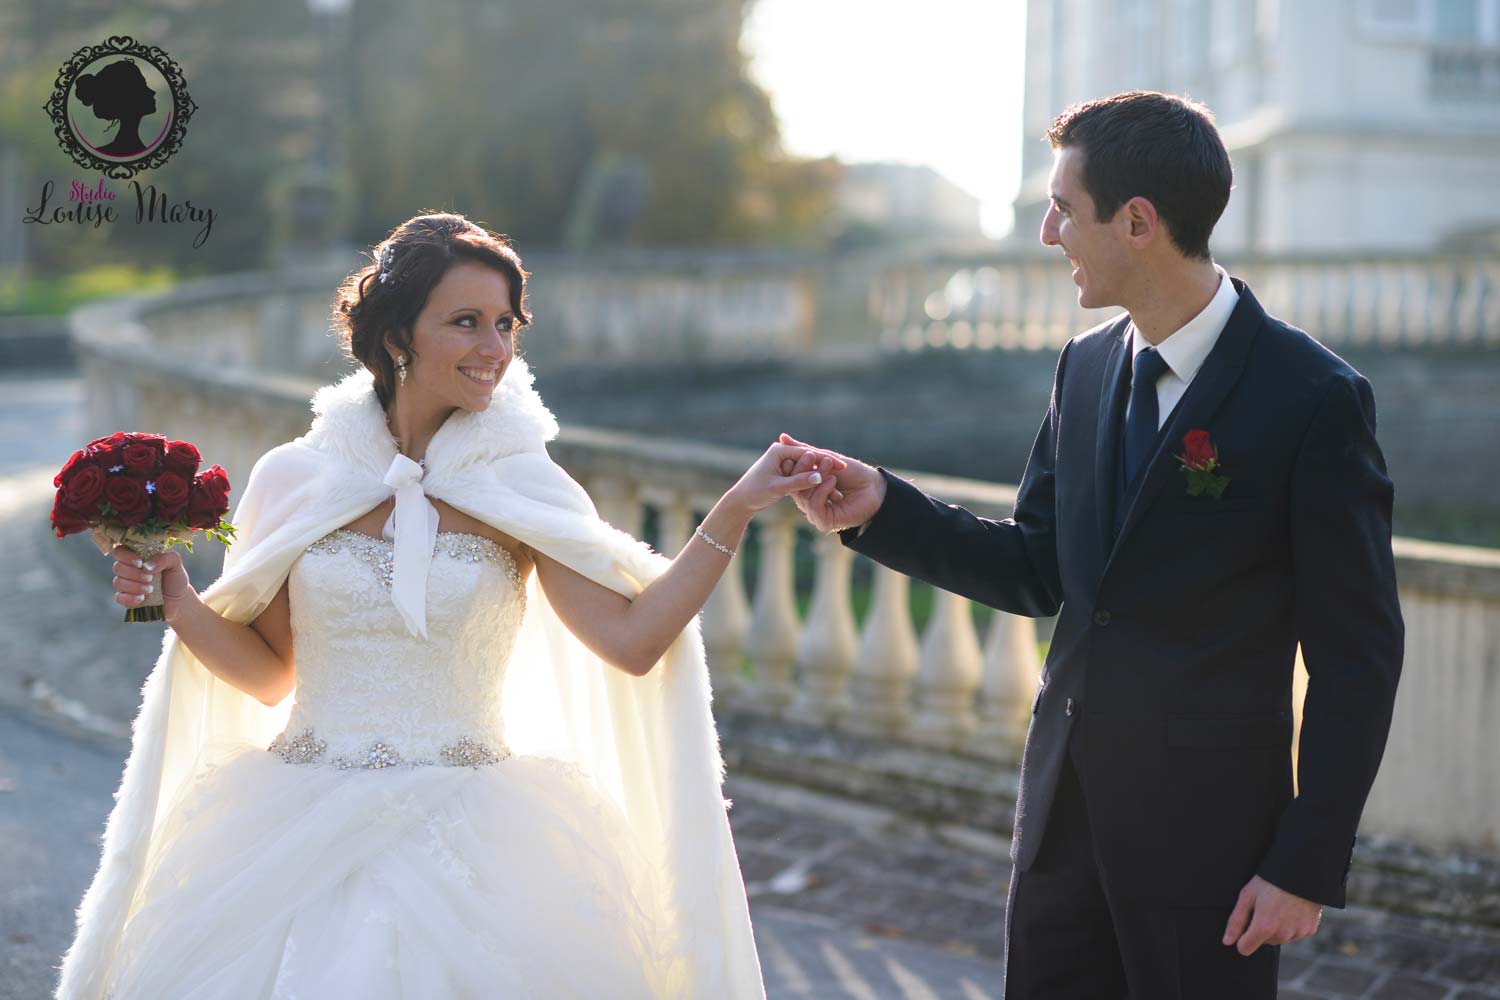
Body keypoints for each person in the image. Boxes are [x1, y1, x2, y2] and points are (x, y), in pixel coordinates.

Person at [55, 213, 841, 999]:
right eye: (466, 323)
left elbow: (632, 641)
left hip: (478, 832)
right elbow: (269, 678)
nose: (495, 350)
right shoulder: (296, 478)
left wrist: (733, 511)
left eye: (506, 325)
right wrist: (179, 602)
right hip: (294, 818)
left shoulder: (521, 483)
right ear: (399, 336)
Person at [780, 92, 1404, 999]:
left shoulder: (1313, 399)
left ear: (1139, 222)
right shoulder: (1086, 365)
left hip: (1212, 853)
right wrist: (883, 509)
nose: (1047, 232)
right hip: (1060, 829)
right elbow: (1038, 568)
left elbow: (1359, 659)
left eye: (1064, 208)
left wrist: (1306, 863)